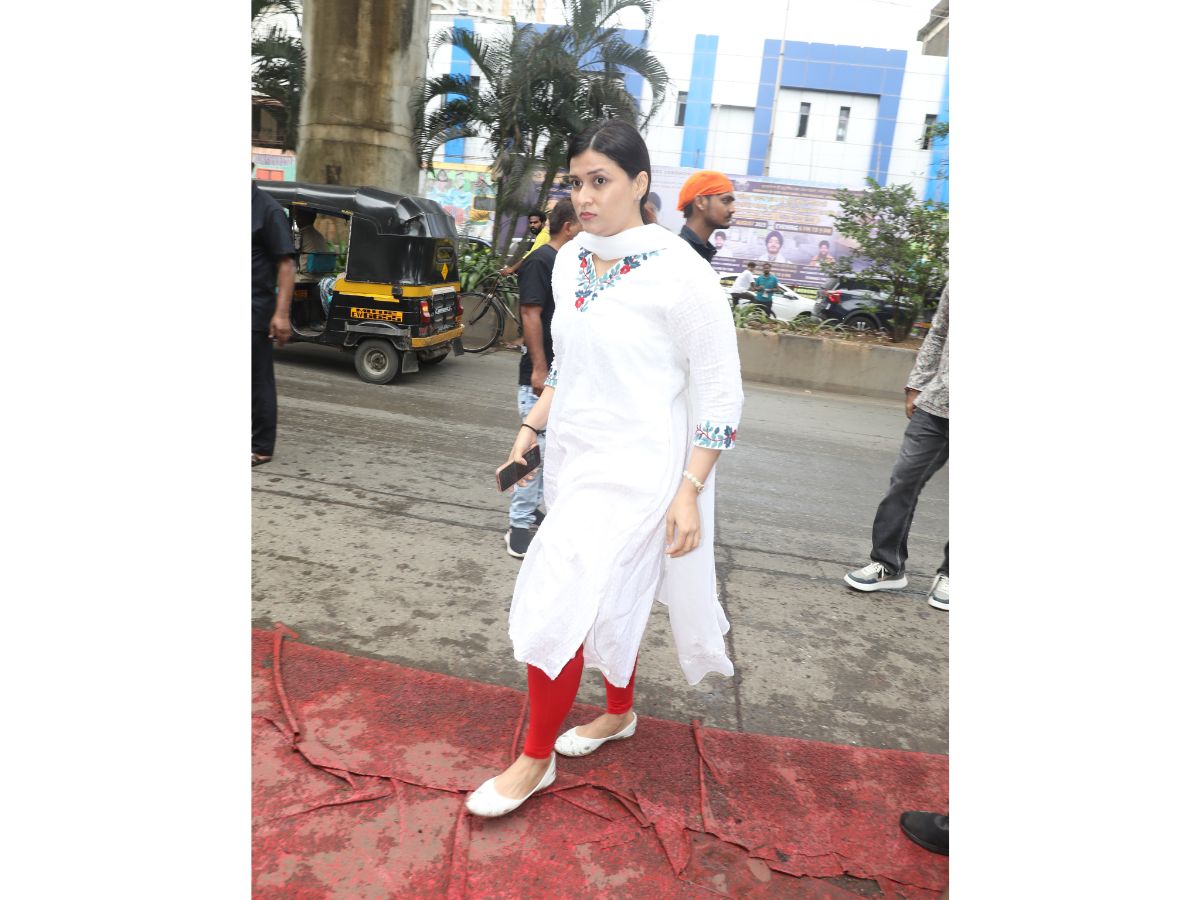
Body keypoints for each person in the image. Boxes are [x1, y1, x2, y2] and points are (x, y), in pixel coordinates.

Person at [466, 119, 744, 818]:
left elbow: (721, 396)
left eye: (601, 181)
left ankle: (534, 761)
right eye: (576, 182)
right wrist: (530, 430)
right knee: (610, 592)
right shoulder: (570, 261)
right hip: (578, 456)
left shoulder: (683, 274)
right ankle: (619, 712)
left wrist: (690, 491)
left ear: (640, 184)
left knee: (560, 590)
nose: (584, 197)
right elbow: (569, 364)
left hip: (646, 468)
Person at [844, 285, 949, 609]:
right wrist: (916, 384)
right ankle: (887, 564)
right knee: (903, 481)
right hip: (938, 402)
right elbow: (938, 332)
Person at [506, 199, 581, 559]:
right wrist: (539, 367)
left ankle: (531, 510)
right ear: (568, 226)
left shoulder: (565, 263)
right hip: (539, 376)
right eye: (581, 224)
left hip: (557, 376)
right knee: (533, 453)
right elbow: (530, 314)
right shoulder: (541, 261)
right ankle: (518, 525)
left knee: (547, 452)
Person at [252, 183, 297, 467]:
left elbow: (286, 265)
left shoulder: (268, 210)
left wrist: (281, 314)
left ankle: (261, 447)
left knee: (257, 380)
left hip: (253, 310)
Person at [676, 170, 736, 263]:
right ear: (700, 202)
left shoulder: (698, 252)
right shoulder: (677, 254)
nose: (732, 209)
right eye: (725, 200)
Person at [500, 210, 549, 276]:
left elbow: (531, 255)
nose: (532, 225)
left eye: (535, 222)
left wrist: (512, 269)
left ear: (543, 223)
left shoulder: (543, 235)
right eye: (531, 223)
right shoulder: (542, 235)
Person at [292, 207, 329, 277]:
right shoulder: (320, 235)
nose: (296, 219)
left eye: (298, 216)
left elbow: (291, 256)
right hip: (321, 277)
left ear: (305, 218)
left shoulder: (299, 235)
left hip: (304, 278)